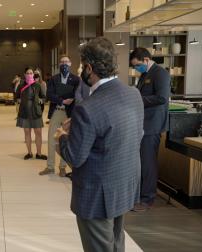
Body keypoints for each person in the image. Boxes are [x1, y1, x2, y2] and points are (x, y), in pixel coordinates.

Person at [56, 37, 144, 252]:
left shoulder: (88, 107)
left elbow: (75, 157)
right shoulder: (134, 95)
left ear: (89, 67)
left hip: (96, 193)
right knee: (115, 243)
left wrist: (61, 136)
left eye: (80, 65)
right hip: (123, 184)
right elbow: (133, 136)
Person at [130, 47, 171, 212]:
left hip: (152, 125)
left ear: (146, 60)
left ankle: (147, 200)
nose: (136, 68)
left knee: (148, 163)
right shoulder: (145, 74)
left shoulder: (160, 73)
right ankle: (139, 196)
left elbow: (161, 98)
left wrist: (138, 99)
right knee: (141, 162)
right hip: (142, 124)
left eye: (138, 65)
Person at [39, 55, 80, 176]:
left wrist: (71, 99)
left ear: (70, 63)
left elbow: (78, 95)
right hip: (57, 110)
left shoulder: (76, 80)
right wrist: (62, 100)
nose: (64, 64)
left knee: (66, 139)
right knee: (52, 138)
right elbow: (49, 95)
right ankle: (50, 167)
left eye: (66, 62)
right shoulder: (53, 79)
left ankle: (63, 167)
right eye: (62, 62)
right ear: (59, 65)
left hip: (69, 113)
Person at [16, 67, 47, 160]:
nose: (30, 74)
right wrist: (18, 100)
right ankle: (29, 153)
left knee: (38, 132)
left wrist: (40, 101)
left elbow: (44, 97)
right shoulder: (21, 85)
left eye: (31, 73)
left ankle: (39, 153)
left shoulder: (38, 85)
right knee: (27, 132)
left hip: (36, 112)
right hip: (25, 112)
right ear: (25, 75)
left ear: (33, 74)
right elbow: (16, 96)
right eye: (28, 73)